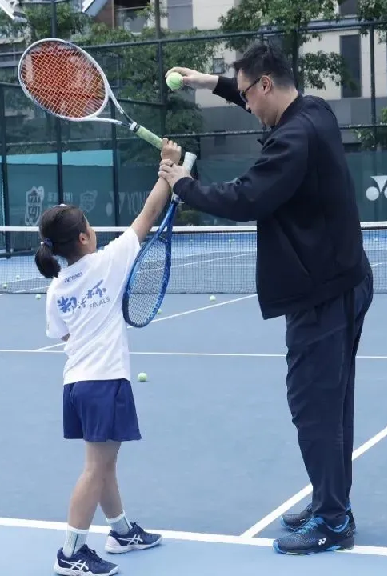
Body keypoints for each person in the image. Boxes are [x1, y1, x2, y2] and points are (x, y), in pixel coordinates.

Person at [159, 42, 373, 556]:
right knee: (329, 404)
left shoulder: (293, 139)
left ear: (267, 85)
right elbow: (246, 94)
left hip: (323, 293)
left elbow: (246, 197)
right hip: (339, 282)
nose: (248, 106)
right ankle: (329, 500)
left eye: (248, 94)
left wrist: (184, 185)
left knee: (314, 408)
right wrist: (206, 82)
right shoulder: (313, 109)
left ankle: (333, 520)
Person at [38, 139, 184, 576]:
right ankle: (70, 551)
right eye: (89, 224)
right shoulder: (109, 262)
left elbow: (63, 334)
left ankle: (120, 531)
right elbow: (149, 213)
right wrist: (168, 166)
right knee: (96, 467)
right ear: (84, 237)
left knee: (105, 463)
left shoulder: (55, 288)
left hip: (76, 386)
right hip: (104, 382)